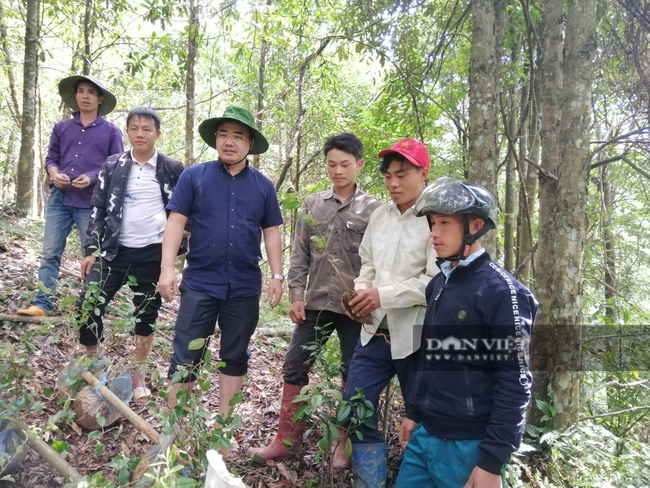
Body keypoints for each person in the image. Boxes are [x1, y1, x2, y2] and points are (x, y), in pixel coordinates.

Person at [395, 177, 538, 488]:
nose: (434, 233)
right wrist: (415, 412)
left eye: (444, 222)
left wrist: (491, 461)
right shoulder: (439, 283)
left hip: (469, 445)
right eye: (432, 222)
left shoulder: (502, 292)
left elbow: (514, 381)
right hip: (425, 436)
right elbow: (430, 357)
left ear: (475, 225)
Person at [248, 133, 381, 466]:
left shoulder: (375, 210)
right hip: (317, 302)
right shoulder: (312, 205)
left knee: (354, 372)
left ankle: (342, 442)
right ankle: (287, 440)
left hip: (356, 308)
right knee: (294, 363)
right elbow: (301, 256)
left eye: (345, 164)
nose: (337, 171)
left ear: (359, 165)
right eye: (332, 164)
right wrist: (295, 294)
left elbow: (379, 260)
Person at [159, 106, 284, 433]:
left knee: (234, 354)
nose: (230, 141)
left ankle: (224, 430)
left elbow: (271, 230)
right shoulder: (194, 176)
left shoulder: (263, 186)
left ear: (250, 142)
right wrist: (167, 269)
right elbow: (175, 222)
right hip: (200, 281)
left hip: (244, 285)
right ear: (216, 138)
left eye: (239, 135)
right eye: (224, 134)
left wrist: (277, 275)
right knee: (186, 354)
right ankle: (176, 433)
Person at [342, 139, 438, 487]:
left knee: (425, 417)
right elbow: (367, 262)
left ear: (423, 174)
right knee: (354, 406)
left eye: (402, 174)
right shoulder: (380, 215)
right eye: (388, 176)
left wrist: (382, 294)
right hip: (374, 332)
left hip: (416, 334)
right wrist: (363, 289)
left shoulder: (435, 219)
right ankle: (371, 481)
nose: (393, 183)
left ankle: (418, 478)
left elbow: (433, 283)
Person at [75, 107, 185, 404]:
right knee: (89, 302)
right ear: (127, 132)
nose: (140, 134)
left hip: (152, 252)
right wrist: (91, 250)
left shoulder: (172, 168)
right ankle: (92, 360)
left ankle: (138, 374)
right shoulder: (113, 165)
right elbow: (97, 208)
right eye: (134, 128)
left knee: (145, 314)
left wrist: (178, 255)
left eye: (147, 129)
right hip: (113, 250)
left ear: (157, 134)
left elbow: (186, 212)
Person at [17, 75, 123, 317]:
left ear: (100, 99)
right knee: (51, 252)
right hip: (60, 198)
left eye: (91, 92)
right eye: (81, 91)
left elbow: (116, 165)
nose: (85, 96)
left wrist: (92, 177)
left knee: (92, 255)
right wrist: (54, 174)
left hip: (91, 204)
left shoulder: (111, 132)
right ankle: (42, 304)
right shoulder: (62, 127)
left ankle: (88, 306)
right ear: (75, 96)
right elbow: (51, 159)